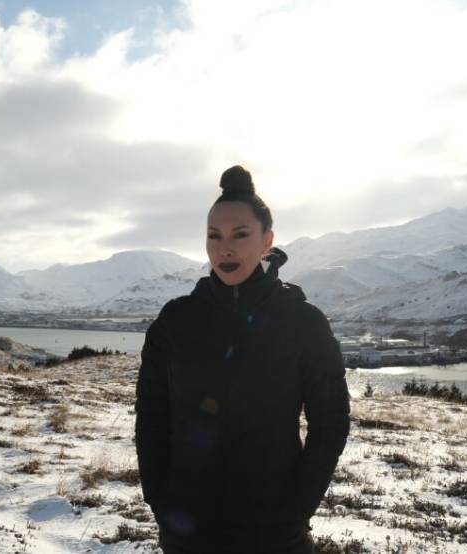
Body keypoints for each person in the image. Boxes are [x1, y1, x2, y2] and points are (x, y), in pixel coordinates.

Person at [134, 165, 351, 554]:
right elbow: (152, 414)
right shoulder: (175, 322)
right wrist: (160, 499)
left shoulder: (303, 323)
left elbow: (330, 422)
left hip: (275, 533)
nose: (225, 248)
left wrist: (296, 509)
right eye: (214, 236)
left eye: (240, 235)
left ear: (267, 241)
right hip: (187, 531)